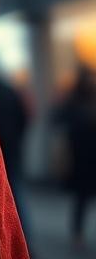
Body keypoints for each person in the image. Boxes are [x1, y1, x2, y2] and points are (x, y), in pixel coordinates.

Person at [0, 54, 31, 244]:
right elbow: (24, 118)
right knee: (15, 191)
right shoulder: (9, 90)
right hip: (12, 148)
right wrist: (18, 138)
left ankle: (2, 239)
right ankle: (23, 238)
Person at [56, 65, 96, 248]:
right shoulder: (74, 102)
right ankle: (77, 234)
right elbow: (58, 118)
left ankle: (77, 234)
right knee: (81, 198)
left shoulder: (81, 101)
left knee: (82, 198)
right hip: (81, 158)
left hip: (86, 155)